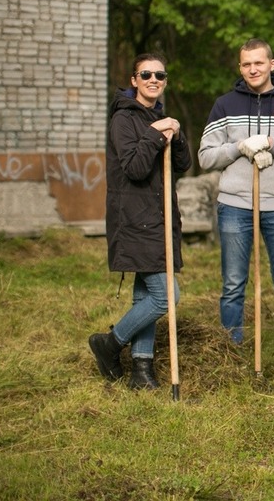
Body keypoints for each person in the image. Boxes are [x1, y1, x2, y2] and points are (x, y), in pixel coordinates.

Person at [198, 39, 274, 380]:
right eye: (246, 65)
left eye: (259, 63)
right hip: (235, 205)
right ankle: (231, 357)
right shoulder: (225, 105)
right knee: (233, 284)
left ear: (272, 64)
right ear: (240, 67)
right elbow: (206, 157)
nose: (253, 70)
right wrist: (238, 147)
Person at [89, 53, 191, 390]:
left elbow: (182, 165)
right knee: (165, 297)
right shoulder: (123, 119)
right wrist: (156, 133)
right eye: (145, 74)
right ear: (134, 80)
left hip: (158, 219)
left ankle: (141, 369)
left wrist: (175, 136)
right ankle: (111, 343)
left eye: (160, 75)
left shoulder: (158, 116)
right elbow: (134, 168)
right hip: (134, 221)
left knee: (143, 296)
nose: (153, 80)